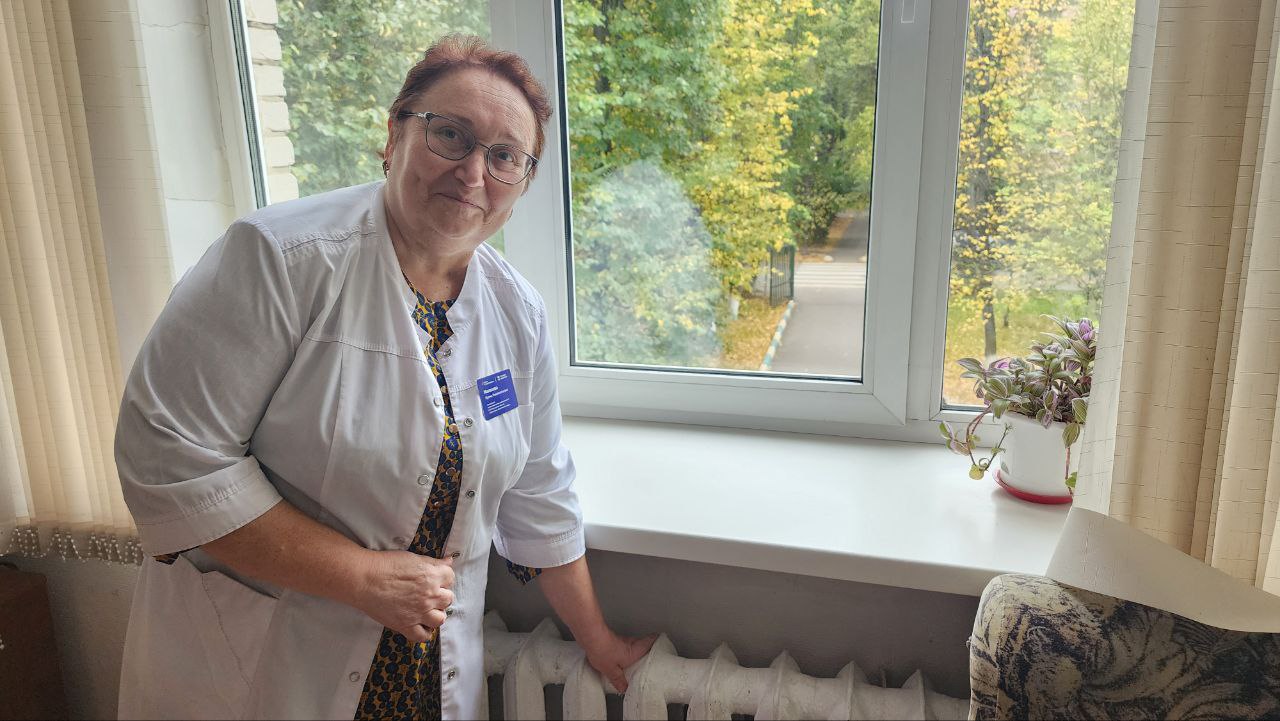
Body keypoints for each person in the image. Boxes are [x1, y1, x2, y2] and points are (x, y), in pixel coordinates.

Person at [115, 34, 654, 720]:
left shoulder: (518, 312)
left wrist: (599, 641)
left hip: (423, 675)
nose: (473, 172)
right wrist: (363, 577)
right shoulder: (280, 259)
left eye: (504, 156)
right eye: (450, 135)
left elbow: (538, 491)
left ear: (521, 185)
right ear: (394, 136)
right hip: (266, 664)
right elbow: (169, 458)